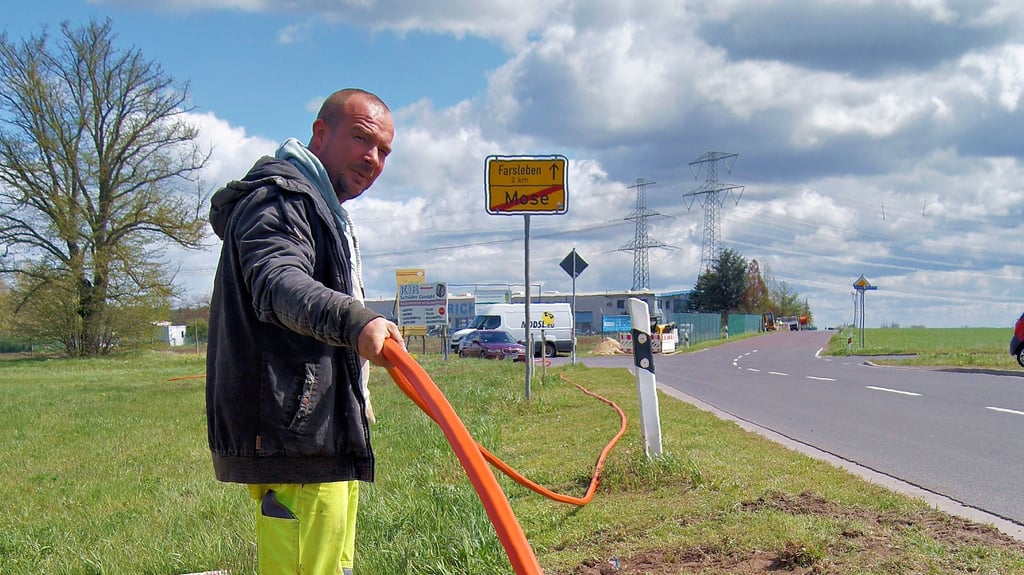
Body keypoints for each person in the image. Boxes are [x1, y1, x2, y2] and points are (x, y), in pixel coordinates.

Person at [206, 88, 405, 575]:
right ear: (321, 133)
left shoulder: (319, 207)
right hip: (295, 435)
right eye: (362, 139)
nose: (372, 158)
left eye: (383, 151)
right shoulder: (278, 201)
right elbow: (278, 283)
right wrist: (355, 322)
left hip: (322, 431)